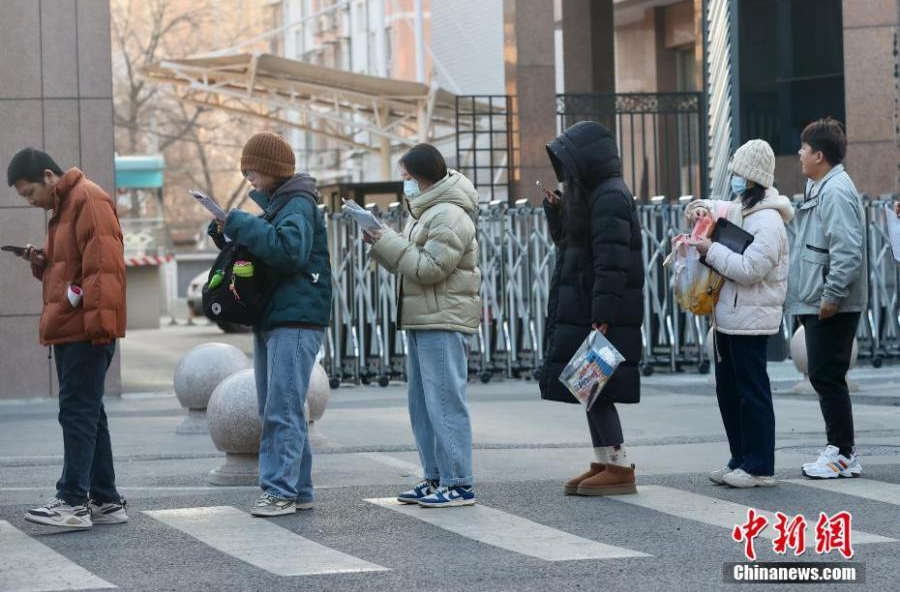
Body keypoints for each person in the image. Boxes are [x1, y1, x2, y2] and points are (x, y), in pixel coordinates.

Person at [208, 132, 332, 516]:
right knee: (280, 406)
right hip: (277, 316)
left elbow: (289, 252)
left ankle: (279, 491)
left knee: (282, 408)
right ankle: (300, 489)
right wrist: (225, 230)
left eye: (252, 170)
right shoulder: (282, 205)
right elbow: (266, 248)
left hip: (295, 318)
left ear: (272, 169)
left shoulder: (297, 204)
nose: (248, 177)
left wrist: (242, 222)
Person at [7, 148, 127, 529]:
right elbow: (74, 268)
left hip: (84, 330)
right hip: (75, 326)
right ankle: (105, 499)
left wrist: (98, 328)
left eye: (30, 193)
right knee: (90, 413)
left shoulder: (86, 198)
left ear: (48, 175)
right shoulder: (64, 207)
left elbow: (104, 268)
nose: (31, 201)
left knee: (76, 411)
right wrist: (41, 260)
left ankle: (72, 501)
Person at [366, 144, 480, 508]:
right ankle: (435, 478)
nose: (405, 186)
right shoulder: (426, 212)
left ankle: (459, 482)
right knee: (423, 404)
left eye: (406, 178)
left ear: (422, 176)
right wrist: (382, 242)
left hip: (443, 318)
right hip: (422, 317)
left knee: (444, 401)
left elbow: (431, 268)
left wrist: (389, 241)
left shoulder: (448, 214)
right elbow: (409, 264)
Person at [539, 121, 644, 496]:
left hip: (602, 313)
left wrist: (603, 315)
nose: (565, 174)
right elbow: (572, 245)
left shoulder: (610, 196)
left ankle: (618, 466)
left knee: (599, 390)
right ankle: (604, 459)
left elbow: (611, 262)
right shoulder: (594, 196)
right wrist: (557, 212)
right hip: (590, 308)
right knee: (590, 388)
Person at [686, 139, 794, 488]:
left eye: (737, 175)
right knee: (729, 392)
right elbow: (708, 206)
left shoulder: (768, 221)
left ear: (751, 179)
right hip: (728, 318)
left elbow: (749, 269)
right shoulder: (739, 209)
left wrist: (710, 250)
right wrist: (698, 210)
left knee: (752, 393)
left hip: (752, 321)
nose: (732, 180)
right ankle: (740, 459)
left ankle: (759, 466)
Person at [787, 118, 867, 479]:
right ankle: (840, 449)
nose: (800, 155)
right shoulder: (820, 186)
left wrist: (832, 295)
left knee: (827, 375)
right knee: (826, 375)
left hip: (832, 301)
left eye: (804, 149)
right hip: (819, 298)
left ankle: (842, 452)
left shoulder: (834, 190)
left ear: (819, 155)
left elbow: (847, 250)